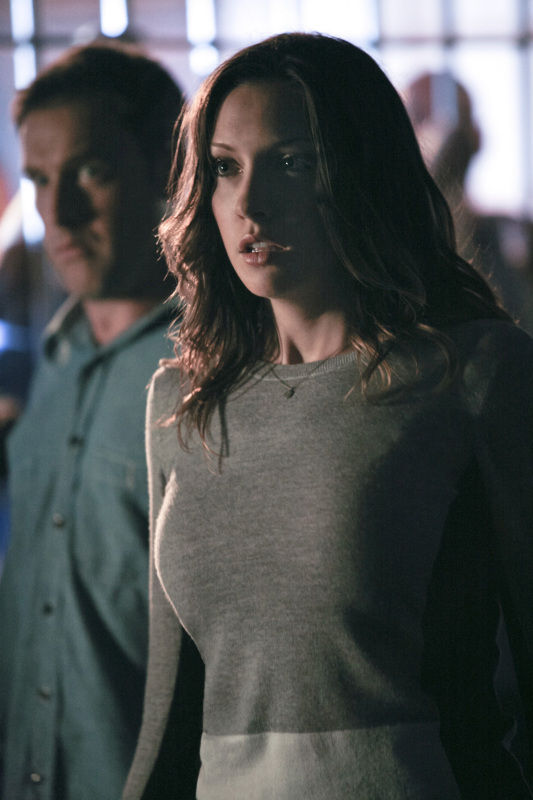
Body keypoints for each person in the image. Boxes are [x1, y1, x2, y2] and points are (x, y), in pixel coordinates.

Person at [124, 33, 533, 800]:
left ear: (358, 172)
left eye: (291, 162)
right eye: (224, 167)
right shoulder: (180, 402)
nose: (248, 204)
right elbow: (172, 712)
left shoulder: (475, 372)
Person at [0, 43, 183, 799]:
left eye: (91, 171)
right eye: (41, 180)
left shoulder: (213, 376)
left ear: (167, 171)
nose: (58, 213)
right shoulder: (54, 363)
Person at [405, 71, 533, 335]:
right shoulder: (391, 244)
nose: (445, 133)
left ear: (476, 135)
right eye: (421, 117)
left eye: (458, 118)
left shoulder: (514, 234)